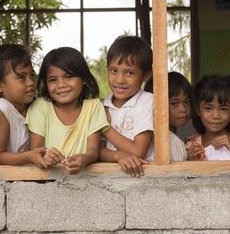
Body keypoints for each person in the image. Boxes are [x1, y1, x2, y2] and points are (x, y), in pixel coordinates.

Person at [26, 47, 109, 174]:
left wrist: (85, 159)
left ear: (84, 79)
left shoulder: (93, 107)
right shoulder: (40, 107)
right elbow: (36, 150)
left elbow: (93, 150)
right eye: (53, 80)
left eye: (68, 77)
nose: (61, 85)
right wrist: (46, 156)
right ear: (46, 84)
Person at [100, 35, 154, 177]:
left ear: (146, 75)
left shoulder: (147, 101)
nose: (119, 80)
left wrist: (104, 126)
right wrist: (118, 156)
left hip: (143, 178)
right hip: (108, 179)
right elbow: (94, 151)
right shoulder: (101, 105)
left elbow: (137, 152)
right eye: (114, 70)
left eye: (129, 73)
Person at [0, 44, 46, 167]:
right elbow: (0, 156)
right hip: (8, 180)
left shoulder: (37, 105)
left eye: (32, 75)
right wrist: (30, 156)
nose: (30, 83)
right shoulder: (1, 110)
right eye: (21, 78)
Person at [145, 71, 191, 161]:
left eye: (186, 102)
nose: (183, 109)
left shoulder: (177, 141)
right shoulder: (171, 142)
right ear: (155, 104)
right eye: (174, 103)